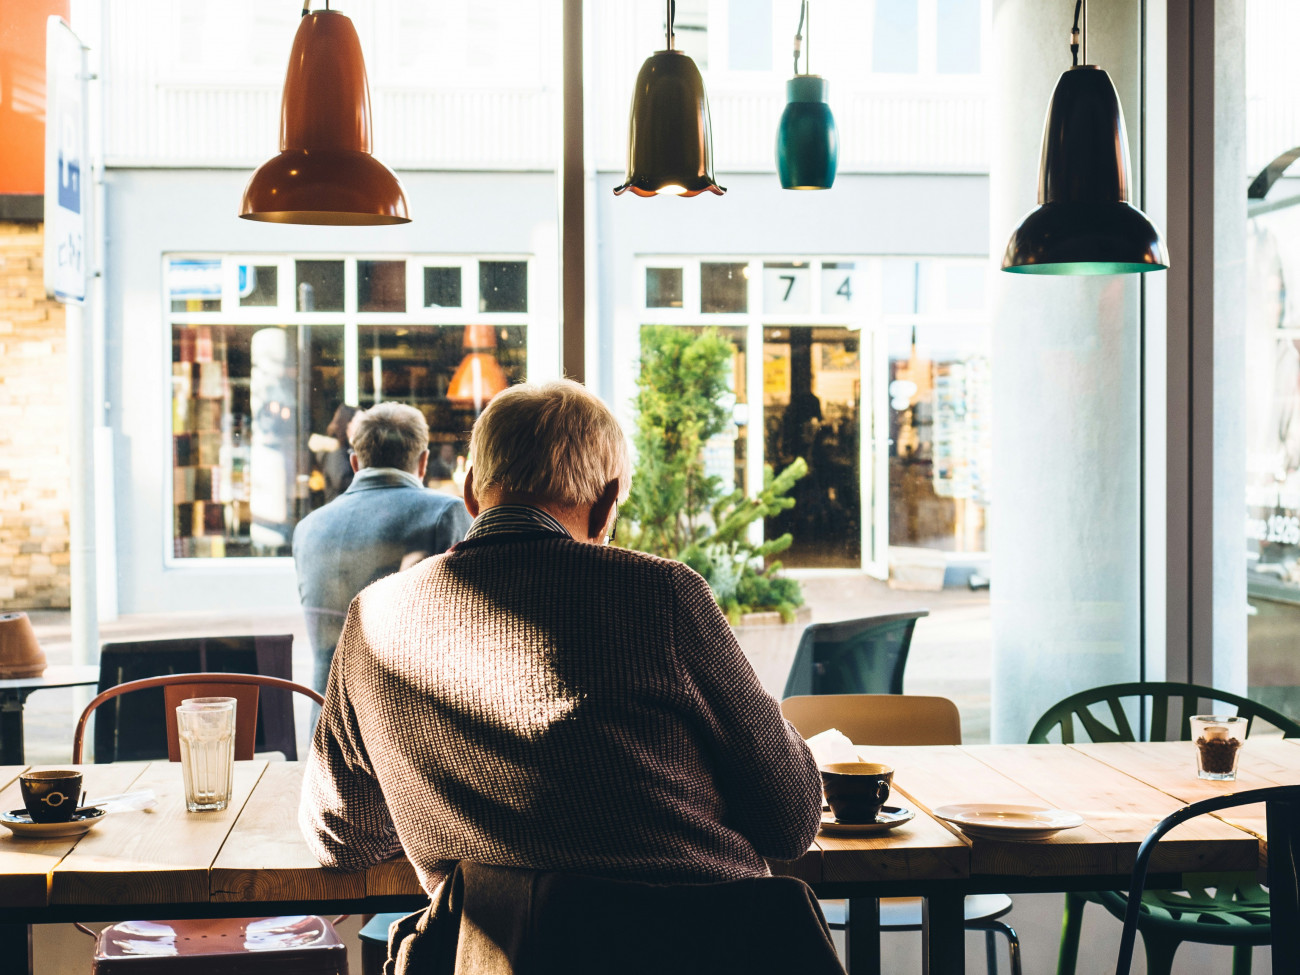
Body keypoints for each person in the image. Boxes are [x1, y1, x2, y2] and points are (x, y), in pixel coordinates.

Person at [299, 379, 822, 891]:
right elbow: (791, 819)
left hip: (496, 956)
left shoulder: (374, 617)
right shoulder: (662, 595)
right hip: (703, 950)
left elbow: (342, 837)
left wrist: (445, 805)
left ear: (470, 492)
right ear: (606, 503)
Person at [292, 401, 472, 695]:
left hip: (324, 724)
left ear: (354, 463)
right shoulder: (445, 514)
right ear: (424, 462)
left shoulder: (308, 528)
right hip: (402, 724)